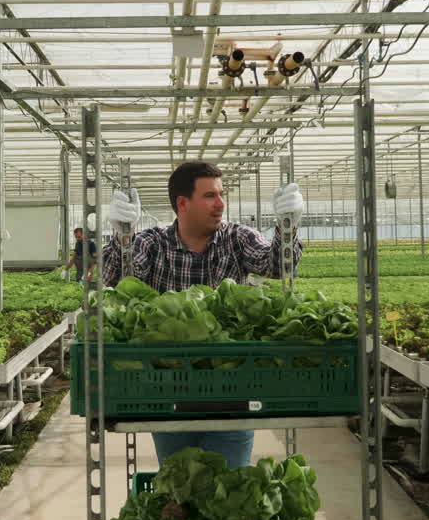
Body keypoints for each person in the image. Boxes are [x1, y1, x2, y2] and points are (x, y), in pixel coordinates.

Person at [100, 161, 306, 468]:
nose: (220, 203)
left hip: (231, 388)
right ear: (182, 203)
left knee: (229, 479)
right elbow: (111, 277)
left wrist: (287, 226)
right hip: (168, 386)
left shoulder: (237, 238)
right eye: (210, 195)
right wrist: (121, 237)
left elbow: (276, 266)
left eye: (221, 194)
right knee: (181, 482)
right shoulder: (152, 242)